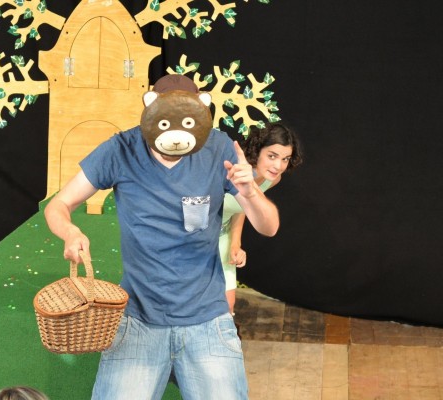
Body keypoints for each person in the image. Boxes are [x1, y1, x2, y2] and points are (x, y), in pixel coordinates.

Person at [43, 74, 279, 400]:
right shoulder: (122, 149)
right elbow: (58, 204)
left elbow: (269, 226)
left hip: (207, 318)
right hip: (138, 318)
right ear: (150, 111)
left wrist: (250, 192)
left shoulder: (219, 147)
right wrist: (70, 231)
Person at [219, 123, 303, 315]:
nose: (278, 166)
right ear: (257, 150)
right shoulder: (232, 168)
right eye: (272, 156)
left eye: (285, 159)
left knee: (227, 306)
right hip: (197, 237)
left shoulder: (272, 179)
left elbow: (243, 207)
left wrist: (235, 243)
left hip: (222, 236)